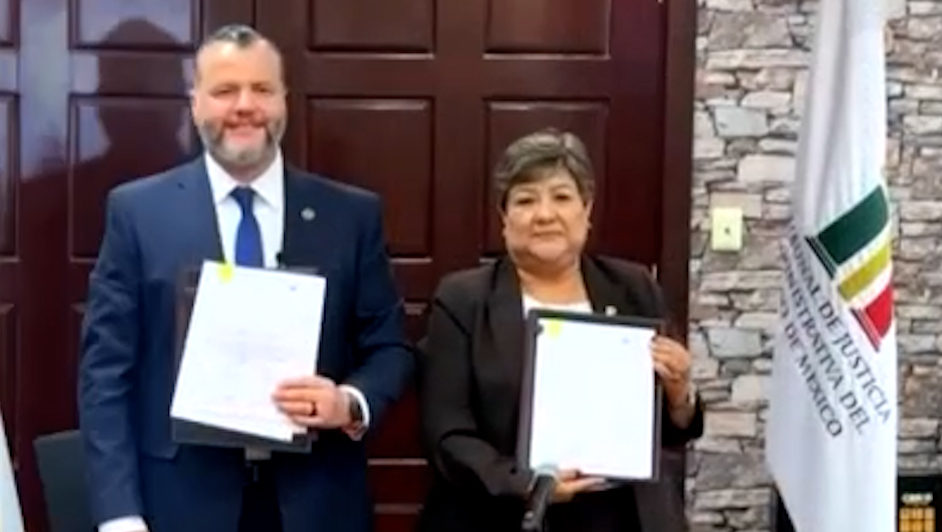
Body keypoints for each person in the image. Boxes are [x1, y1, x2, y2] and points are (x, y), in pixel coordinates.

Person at [77, 24, 414, 532]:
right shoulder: (138, 213)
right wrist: (119, 515)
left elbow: (390, 347)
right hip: (179, 505)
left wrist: (348, 402)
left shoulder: (350, 215)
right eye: (225, 90)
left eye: (261, 89)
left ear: (284, 101)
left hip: (316, 505)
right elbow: (105, 373)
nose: (244, 106)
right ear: (195, 103)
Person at [415, 128, 704, 532]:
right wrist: (531, 485)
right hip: (503, 514)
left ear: (587, 209)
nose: (545, 215)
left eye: (562, 197)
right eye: (525, 200)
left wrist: (679, 396)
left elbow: (669, 432)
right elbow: (446, 435)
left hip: (620, 515)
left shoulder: (633, 287)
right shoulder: (463, 299)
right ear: (504, 218)